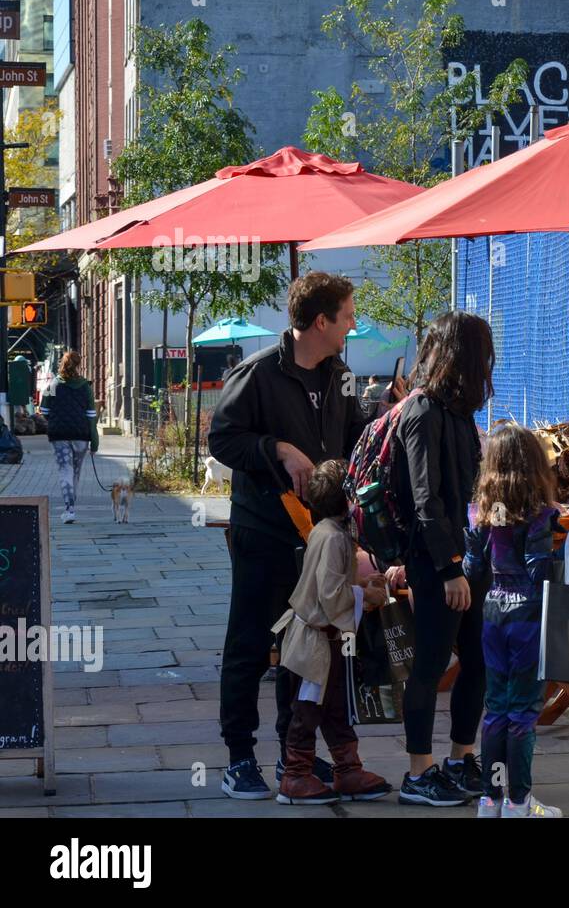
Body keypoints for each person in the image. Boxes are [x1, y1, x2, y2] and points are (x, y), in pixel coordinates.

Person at [207, 272, 406, 800]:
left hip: (319, 537)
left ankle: (292, 757)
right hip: (266, 530)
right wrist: (276, 448)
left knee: (306, 644)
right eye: (347, 315)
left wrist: (387, 412)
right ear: (321, 321)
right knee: (251, 641)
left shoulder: (338, 373)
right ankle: (239, 758)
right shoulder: (257, 375)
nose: (353, 325)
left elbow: (350, 435)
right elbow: (223, 438)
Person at [383, 311, 493, 807]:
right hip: (436, 562)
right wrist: (450, 568)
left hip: (467, 557)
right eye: (481, 355)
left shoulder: (458, 412)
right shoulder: (423, 411)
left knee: (477, 663)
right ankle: (417, 772)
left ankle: (459, 758)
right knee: (428, 667)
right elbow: (426, 500)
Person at [464, 424, 569, 818]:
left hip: (493, 613)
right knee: (523, 714)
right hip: (528, 620)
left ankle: (489, 800)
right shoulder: (539, 515)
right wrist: (563, 556)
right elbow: (538, 572)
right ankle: (519, 802)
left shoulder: (481, 513)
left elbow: (472, 566)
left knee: (495, 708)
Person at [272, 459, 392, 804]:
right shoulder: (336, 537)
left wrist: (360, 582)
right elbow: (328, 595)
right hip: (316, 642)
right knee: (308, 709)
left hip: (325, 639)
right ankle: (295, 776)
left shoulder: (326, 530)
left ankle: (347, 770)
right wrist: (364, 594)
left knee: (336, 705)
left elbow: (330, 582)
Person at [39, 351, 98, 524]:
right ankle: (72, 506)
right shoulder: (85, 387)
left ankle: (69, 509)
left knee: (65, 470)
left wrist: (56, 421)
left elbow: (44, 411)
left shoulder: (53, 384)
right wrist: (94, 442)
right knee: (76, 472)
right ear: (78, 365)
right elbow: (91, 416)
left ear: (61, 365)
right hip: (81, 435)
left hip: (59, 435)